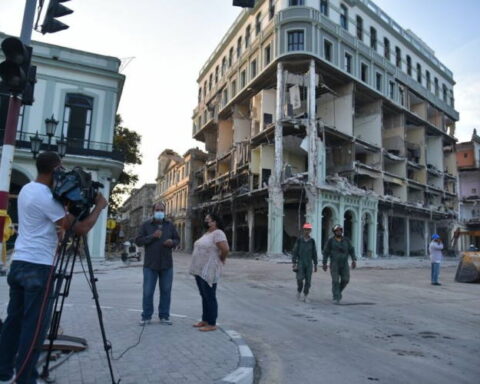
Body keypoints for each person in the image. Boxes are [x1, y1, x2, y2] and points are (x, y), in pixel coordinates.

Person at [0, 152, 107, 384]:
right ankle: (26, 378)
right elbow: (79, 228)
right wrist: (98, 207)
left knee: (13, 321)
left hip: (19, 263)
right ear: (56, 169)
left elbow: (55, 224)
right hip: (38, 267)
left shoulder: (28, 189)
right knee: (34, 327)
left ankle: (4, 372)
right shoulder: (46, 197)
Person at [135, 202, 179, 325]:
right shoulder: (146, 225)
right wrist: (152, 236)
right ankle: (146, 317)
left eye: (162, 210)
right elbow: (138, 241)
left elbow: (177, 239)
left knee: (166, 291)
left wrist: (172, 242)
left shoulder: (170, 225)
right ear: (153, 211)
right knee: (148, 291)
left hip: (166, 265)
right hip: (150, 265)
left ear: (164, 211)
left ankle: (164, 316)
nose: (160, 212)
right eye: (157, 210)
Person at [189, 213, 229, 332]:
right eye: (206, 219)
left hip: (209, 269)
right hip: (199, 269)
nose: (206, 221)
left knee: (210, 296)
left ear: (215, 222)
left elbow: (225, 249)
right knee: (204, 296)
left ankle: (212, 323)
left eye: (208, 220)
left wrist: (221, 259)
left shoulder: (218, 233)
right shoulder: (207, 233)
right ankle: (205, 320)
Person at [322, 224, 356, 304]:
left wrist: (354, 260)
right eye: (337, 230)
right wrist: (324, 263)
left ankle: (338, 292)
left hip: (344, 264)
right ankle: (336, 297)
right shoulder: (330, 241)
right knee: (335, 281)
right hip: (334, 264)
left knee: (345, 280)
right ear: (334, 232)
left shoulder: (346, 240)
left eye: (340, 230)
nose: (339, 232)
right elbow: (326, 252)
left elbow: (351, 250)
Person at [292, 223, 318, 303]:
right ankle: (299, 290)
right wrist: (294, 262)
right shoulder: (300, 240)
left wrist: (315, 264)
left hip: (309, 264)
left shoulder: (312, 241)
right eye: (306, 229)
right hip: (301, 263)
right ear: (303, 230)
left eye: (308, 230)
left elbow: (314, 253)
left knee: (308, 281)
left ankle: (306, 296)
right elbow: (295, 251)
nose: (307, 231)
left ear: (310, 231)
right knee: (299, 279)